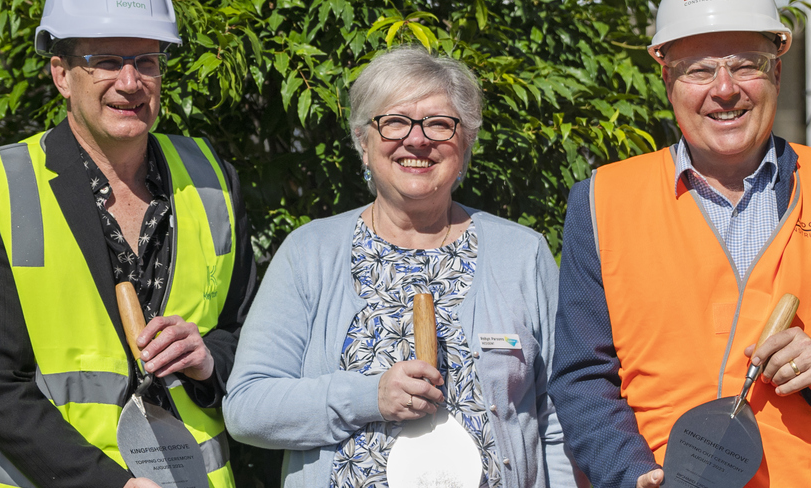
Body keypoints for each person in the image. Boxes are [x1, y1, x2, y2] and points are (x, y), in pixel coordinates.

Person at [549, 0, 811, 486]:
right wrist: (631, 472)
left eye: (745, 65)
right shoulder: (603, 201)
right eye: (699, 70)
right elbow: (583, 378)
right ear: (667, 79)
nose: (724, 89)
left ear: (777, 70)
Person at [224, 46, 575, 488]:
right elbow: (247, 407)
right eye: (394, 122)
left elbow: (560, 415)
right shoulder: (309, 253)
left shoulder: (522, 254)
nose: (417, 140)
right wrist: (367, 397)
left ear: (465, 142)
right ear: (363, 143)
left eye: (439, 123)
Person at [0, 1, 260, 486]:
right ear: (62, 74)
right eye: (107, 62)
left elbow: (250, 337)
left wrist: (208, 361)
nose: (130, 83)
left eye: (147, 62)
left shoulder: (211, 180)